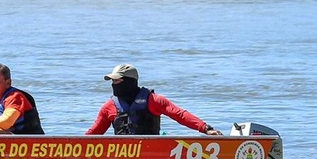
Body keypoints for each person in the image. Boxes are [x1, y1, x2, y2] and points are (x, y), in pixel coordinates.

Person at [86, 64, 222, 137]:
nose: (114, 84)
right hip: (123, 155)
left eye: (117, 80)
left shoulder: (154, 100)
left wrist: (205, 128)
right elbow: (93, 134)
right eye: (112, 81)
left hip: (149, 150)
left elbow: (180, 115)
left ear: (129, 81)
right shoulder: (109, 106)